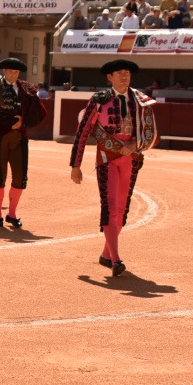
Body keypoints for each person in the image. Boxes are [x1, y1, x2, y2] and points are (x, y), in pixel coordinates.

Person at [69, 59, 159, 275]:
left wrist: (134, 144)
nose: (124, 76)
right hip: (106, 157)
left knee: (122, 208)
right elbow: (83, 132)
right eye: (119, 73)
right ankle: (116, 260)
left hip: (131, 159)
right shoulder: (99, 100)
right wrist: (76, 164)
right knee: (110, 206)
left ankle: (106, 255)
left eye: (127, 72)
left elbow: (151, 135)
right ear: (109, 77)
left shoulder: (141, 100)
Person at [0, 57, 43, 230]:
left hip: (19, 138)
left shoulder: (27, 89)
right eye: (10, 71)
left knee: (20, 178)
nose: (13, 74)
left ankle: (11, 214)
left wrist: (24, 121)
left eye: (16, 72)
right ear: (4, 71)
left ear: (19, 73)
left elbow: (39, 113)